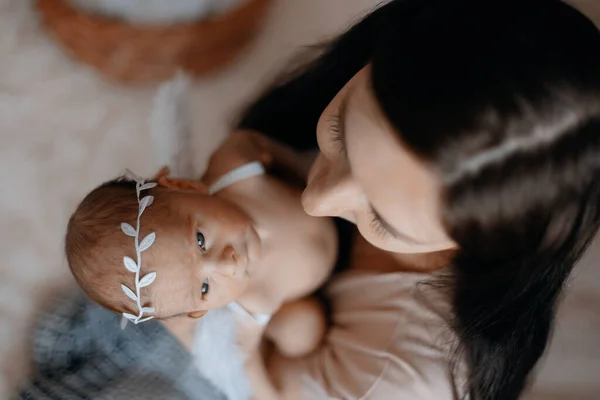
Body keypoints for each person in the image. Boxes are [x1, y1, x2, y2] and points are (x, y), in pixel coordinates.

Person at [213, 0, 600, 399]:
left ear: (477, 247)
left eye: (382, 220)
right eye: (339, 133)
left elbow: (247, 390)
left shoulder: (395, 378)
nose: (316, 200)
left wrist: (233, 320)